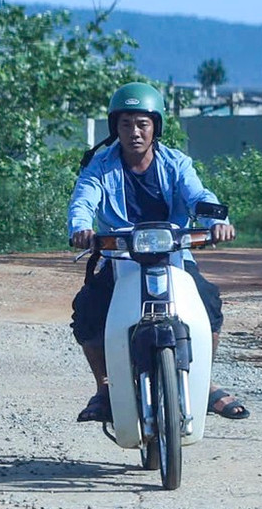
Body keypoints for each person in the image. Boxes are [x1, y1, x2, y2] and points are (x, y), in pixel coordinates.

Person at [66, 81, 250, 424]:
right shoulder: (99, 166)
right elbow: (83, 200)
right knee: (89, 310)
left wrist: (218, 221)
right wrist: (81, 227)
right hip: (120, 255)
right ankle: (104, 387)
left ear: (156, 127)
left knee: (207, 303)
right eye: (125, 124)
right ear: (114, 127)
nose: (134, 132)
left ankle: (204, 382)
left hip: (174, 254)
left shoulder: (176, 163)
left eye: (142, 123)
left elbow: (199, 196)